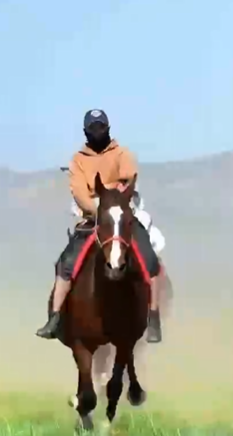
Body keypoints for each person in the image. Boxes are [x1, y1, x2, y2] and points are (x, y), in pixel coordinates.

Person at [36, 109, 164, 343]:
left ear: (108, 128)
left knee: (149, 260)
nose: (97, 131)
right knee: (66, 263)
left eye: (101, 127)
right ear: (86, 131)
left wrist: (114, 203)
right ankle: (54, 318)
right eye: (93, 128)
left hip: (120, 214)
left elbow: (129, 178)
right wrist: (99, 211)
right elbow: (79, 192)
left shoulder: (121, 153)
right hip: (92, 217)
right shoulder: (78, 160)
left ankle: (154, 318)